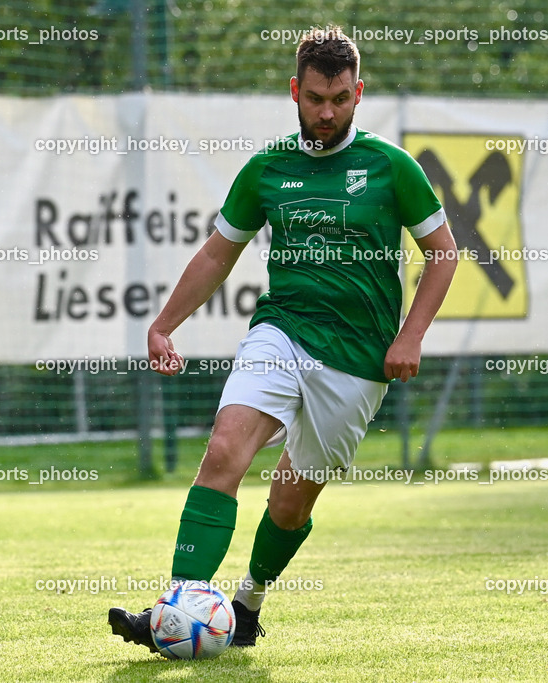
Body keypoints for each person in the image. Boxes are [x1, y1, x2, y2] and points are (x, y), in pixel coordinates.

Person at [109, 26, 458, 651]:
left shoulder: (391, 167)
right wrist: (163, 325)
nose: (328, 112)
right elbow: (218, 255)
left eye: (342, 98)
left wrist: (411, 336)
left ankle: (248, 603)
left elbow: (444, 255)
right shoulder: (267, 169)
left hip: (358, 361)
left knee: (291, 505)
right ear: (295, 91)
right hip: (281, 331)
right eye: (317, 97)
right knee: (223, 453)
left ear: (359, 94)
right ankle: (175, 610)